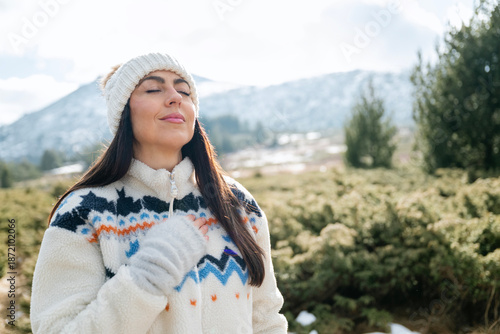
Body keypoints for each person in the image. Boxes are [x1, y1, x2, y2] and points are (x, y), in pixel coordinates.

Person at [30, 52, 288, 333]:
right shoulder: (84, 211)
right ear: (123, 113)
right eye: (153, 89)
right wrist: (149, 274)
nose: (175, 97)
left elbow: (266, 319)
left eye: (185, 91)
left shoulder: (238, 203)